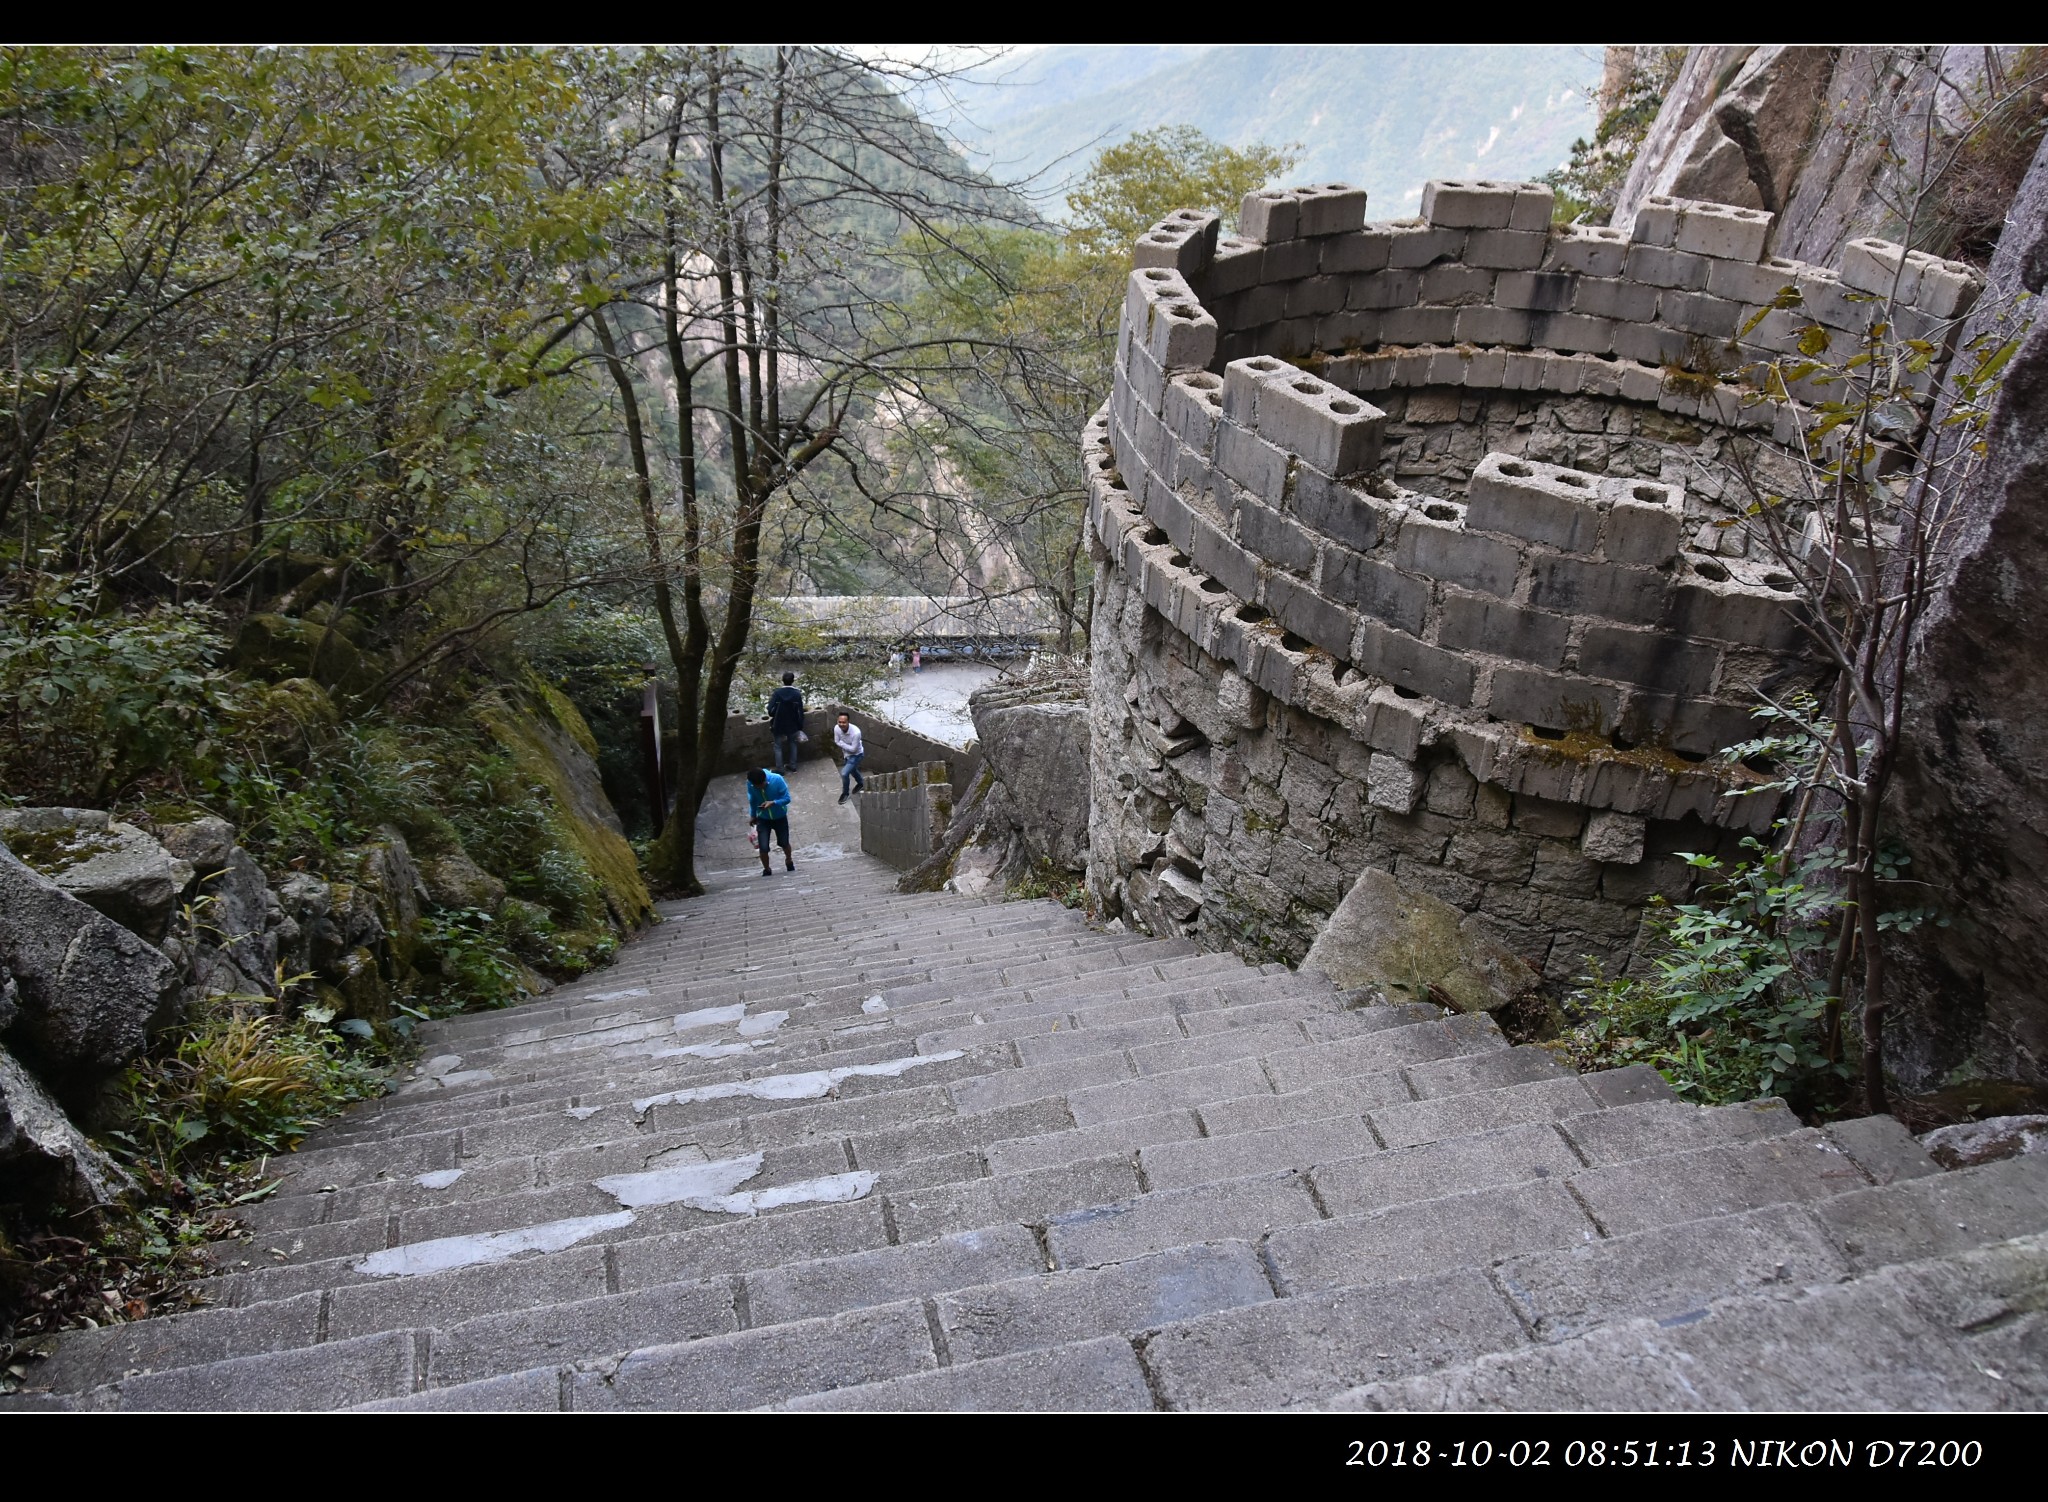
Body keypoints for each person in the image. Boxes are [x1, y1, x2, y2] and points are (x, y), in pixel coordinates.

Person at [746, 766, 794, 876]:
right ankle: (767, 869)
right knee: (763, 846)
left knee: (784, 842)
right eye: (756, 786)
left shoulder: (777, 779)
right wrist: (753, 815)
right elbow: (752, 800)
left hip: (780, 816)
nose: (760, 788)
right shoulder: (750, 784)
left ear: (765, 780)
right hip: (763, 818)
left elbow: (787, 798)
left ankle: (789, 860)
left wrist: (773, 802)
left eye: (762, 785)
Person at [767, 670, 804, 775]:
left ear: (782, 680)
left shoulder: (777, 693)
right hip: (793, 724)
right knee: (793, 743)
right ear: (793, 681)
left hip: (778, 724)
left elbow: (770, 709)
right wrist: (800, 725)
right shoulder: (797, 694)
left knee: (778, 746)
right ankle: (793, 766)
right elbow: (800, 711)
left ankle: (780, 769)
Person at [833, 712, 866, 803]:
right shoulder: (837, 728)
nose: (841, 724)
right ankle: (861, 783)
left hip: (856, 755)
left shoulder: (856, 733)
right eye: (839, 722)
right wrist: (847, 746)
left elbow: (854, 749)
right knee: (852, 770)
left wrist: (842, 744)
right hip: (847, 754)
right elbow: (836, 741)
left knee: (844, 773)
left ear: (848, 722)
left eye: (844, 722)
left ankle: (845, 794)